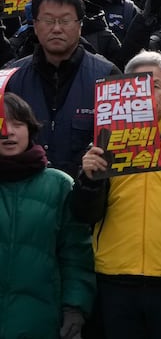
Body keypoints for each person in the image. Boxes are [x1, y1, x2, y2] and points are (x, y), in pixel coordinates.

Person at [72, 51, 161, 338]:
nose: (146, 93)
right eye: (138, 84)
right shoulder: (104, 145)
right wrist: (88, 180)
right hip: (114, 278)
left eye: (155, 85)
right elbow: (83, 214)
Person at [0, 93, 96, 339]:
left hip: (39, 321)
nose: (8, 132)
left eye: (17, 124)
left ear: (30, 129)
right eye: (1, 123)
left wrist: (75, 307)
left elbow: (76, 253)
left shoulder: (59, 185)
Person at [4, 0, 121, 171]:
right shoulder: (11, 77)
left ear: (80, 25)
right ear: (35, 25)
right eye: (48, 20)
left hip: (85, 193)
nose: (56, 28)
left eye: (65, 21)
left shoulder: (108, 75)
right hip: (25, 189)